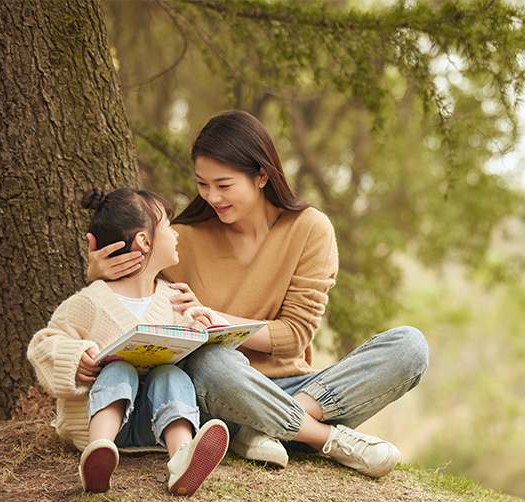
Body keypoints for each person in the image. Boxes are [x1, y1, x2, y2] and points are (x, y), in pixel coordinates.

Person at [88, 110, 429, 479]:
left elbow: (295, 335)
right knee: (210, 361)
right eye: (202, 184)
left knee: (410, 345)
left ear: (262, 175)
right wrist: (97, 276)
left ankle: (261, 428)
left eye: (224, 184)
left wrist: (220, 319)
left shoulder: (310, 229)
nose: (212, 196)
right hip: (217, 391)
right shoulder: (181, 238)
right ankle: (325, 439)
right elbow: (130, 302)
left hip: (300, 388)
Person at [28, 187, 230, 496]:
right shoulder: (90, 301)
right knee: (119, 369)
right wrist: (75, 358)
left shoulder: (175, 300)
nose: (176, 234)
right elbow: (43, 345)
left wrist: (205, 328)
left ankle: (181, 458)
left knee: (171, 374)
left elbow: (196, 358)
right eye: (168, 225)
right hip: (99, 424)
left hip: (154, 425)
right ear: (145, 241)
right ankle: (99, 452)